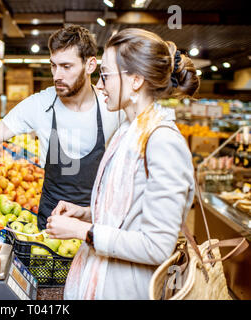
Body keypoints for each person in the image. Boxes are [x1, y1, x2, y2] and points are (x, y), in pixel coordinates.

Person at [45, 28, 200, 299]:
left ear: (136, 80)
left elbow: (156, 245)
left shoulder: (162, 142)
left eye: (105, 75)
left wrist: (84, 231)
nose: (100, 85)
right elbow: (131, 213)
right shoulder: (130, 131)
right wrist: (86, 213)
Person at [0, 25, 124, 230]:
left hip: (98, 223)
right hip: (51, 223)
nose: (57, 75)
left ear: (90, 65)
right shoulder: (40, 104)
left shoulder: (112, 108)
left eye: (66, 66)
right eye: (53, 66)